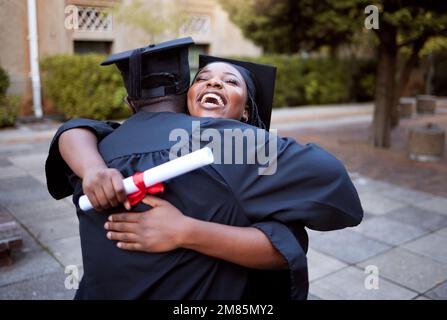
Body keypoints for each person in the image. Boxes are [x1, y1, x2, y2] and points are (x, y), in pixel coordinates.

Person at [45, 38, 363, 300]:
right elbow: (338, 199)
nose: (213, 82)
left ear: (246, 111)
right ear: (185, 98)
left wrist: (185, 231)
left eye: (230, 81)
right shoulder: (237, 147)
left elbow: (76, 129)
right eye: (203, 78)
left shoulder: (100, 150)